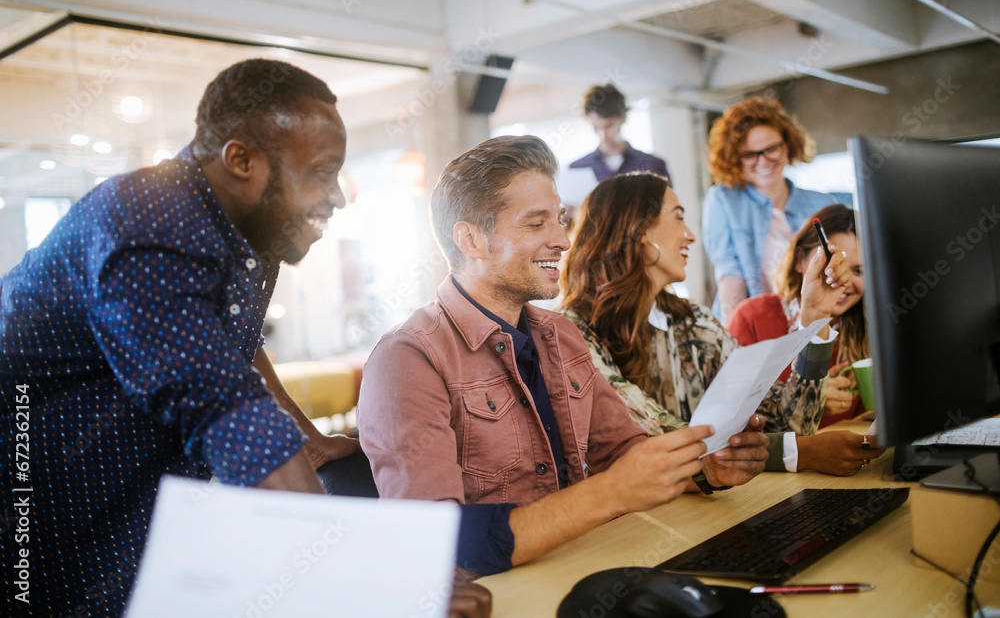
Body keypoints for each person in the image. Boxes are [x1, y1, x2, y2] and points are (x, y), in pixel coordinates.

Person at [0, 59, 489, 618]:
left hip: (125, 506)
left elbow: (235, 348)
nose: (338, 197)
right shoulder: (145, 226)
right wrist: (364, 575)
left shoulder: (248, 234)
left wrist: (307, 437)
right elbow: (227, 410)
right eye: (323, 172)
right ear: (241, 160)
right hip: (35, 507)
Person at [358, 135, 769, 579]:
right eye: (536, 224)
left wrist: (706, 468)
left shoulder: (562, 335)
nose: (563, 240)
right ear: (471, 240)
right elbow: (432, 541)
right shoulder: (408, 360)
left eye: (559, 220)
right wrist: (609, 494)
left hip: (587, 571)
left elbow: (624, 452)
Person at [560, 173, 878, 477]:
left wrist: (814, 316)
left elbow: (792, 421)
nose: (691, 235)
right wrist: (796, 452)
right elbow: (665, 439)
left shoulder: (694, 322)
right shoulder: (571, 335)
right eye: (679, 217)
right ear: (640, 230)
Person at [728, 205, 884, 474]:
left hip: (841, 474)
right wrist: (811, 403)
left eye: (858, 271)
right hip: (763, 480)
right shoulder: (751, 318)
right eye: (831, 265)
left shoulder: (870, 331)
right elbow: (732, 426)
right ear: (801, 260)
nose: (842, 280)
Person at [702, 96, 840, 324]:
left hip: (812, 323)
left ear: (787, 146)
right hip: (755, 326)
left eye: (771, 149)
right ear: (735, 159)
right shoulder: (723, 200)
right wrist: (735, 344)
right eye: (750, 154)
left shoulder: (822, 203)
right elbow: (730, 276)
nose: (764, 161)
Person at [568, 83, 669, 182]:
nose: (603, 135)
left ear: (623, 117)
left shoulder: (652, 166)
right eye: (596, 128)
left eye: (609, 126)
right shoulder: (577, 169)